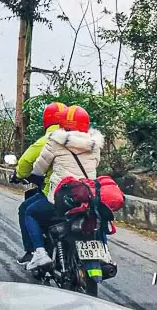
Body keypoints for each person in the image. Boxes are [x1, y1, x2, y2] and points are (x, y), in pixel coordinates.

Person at [23, 105, 104, 270]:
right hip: (87, 196)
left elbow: (40, 167)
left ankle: (39, 253)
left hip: (62, 198)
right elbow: (95, 164)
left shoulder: (55, 142)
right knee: (97, 217)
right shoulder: (94, 145)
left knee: (30, 212)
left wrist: (36, 174)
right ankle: (103, 255)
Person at [9, 102, 67, 265]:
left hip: (56, 193)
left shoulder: (48, 140)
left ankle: (34, 251)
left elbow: (26, 162)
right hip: (85, 192)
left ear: (46, 120)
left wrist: (18, 175)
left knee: (27, 210)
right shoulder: (81, 140)